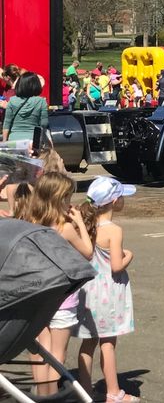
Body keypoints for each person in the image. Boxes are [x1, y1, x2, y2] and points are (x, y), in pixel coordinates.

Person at [13, 170, 94, 396]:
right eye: (67, 197)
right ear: (59, 198)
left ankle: (41, 395)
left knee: (41, 351)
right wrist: (79, 223)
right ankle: (51, 396)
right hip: (62, 296)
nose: (70, 202)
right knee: (58, 353)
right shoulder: (64, 227)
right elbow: (87, 253)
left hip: (37, 294)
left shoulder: (29, 222)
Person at [76, 176, 138, 403]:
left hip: (89, 291)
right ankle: (113, 392)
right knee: (108, 343)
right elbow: (116, 266)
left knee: (88, 342)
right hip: (108, 294)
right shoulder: (113, 230)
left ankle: (85, 391)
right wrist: (128, 255)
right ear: (113, 201)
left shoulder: (86, 226)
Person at [3, 72, 49, 148]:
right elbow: (44, 124)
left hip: (14, 140)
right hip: (33, 141)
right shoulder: (41, 101)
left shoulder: (12, 100)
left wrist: (5, 141)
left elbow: (7, 123)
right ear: (36, 85)